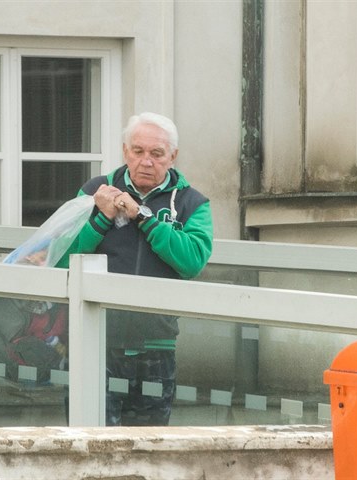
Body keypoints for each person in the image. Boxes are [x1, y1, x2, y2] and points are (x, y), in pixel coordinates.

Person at [58, 112, 213, 426]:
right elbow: (63, 257)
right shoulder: (95, 190)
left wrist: (144, 218)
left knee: (147, 452)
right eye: (138, 151)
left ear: (173, 157)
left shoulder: (192, 202)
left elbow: (193, 260)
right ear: (125, 151)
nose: (146, 161)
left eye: (156, 154)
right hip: (94, 339)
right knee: (88, 446)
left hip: (155, 347)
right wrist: (101, 218)